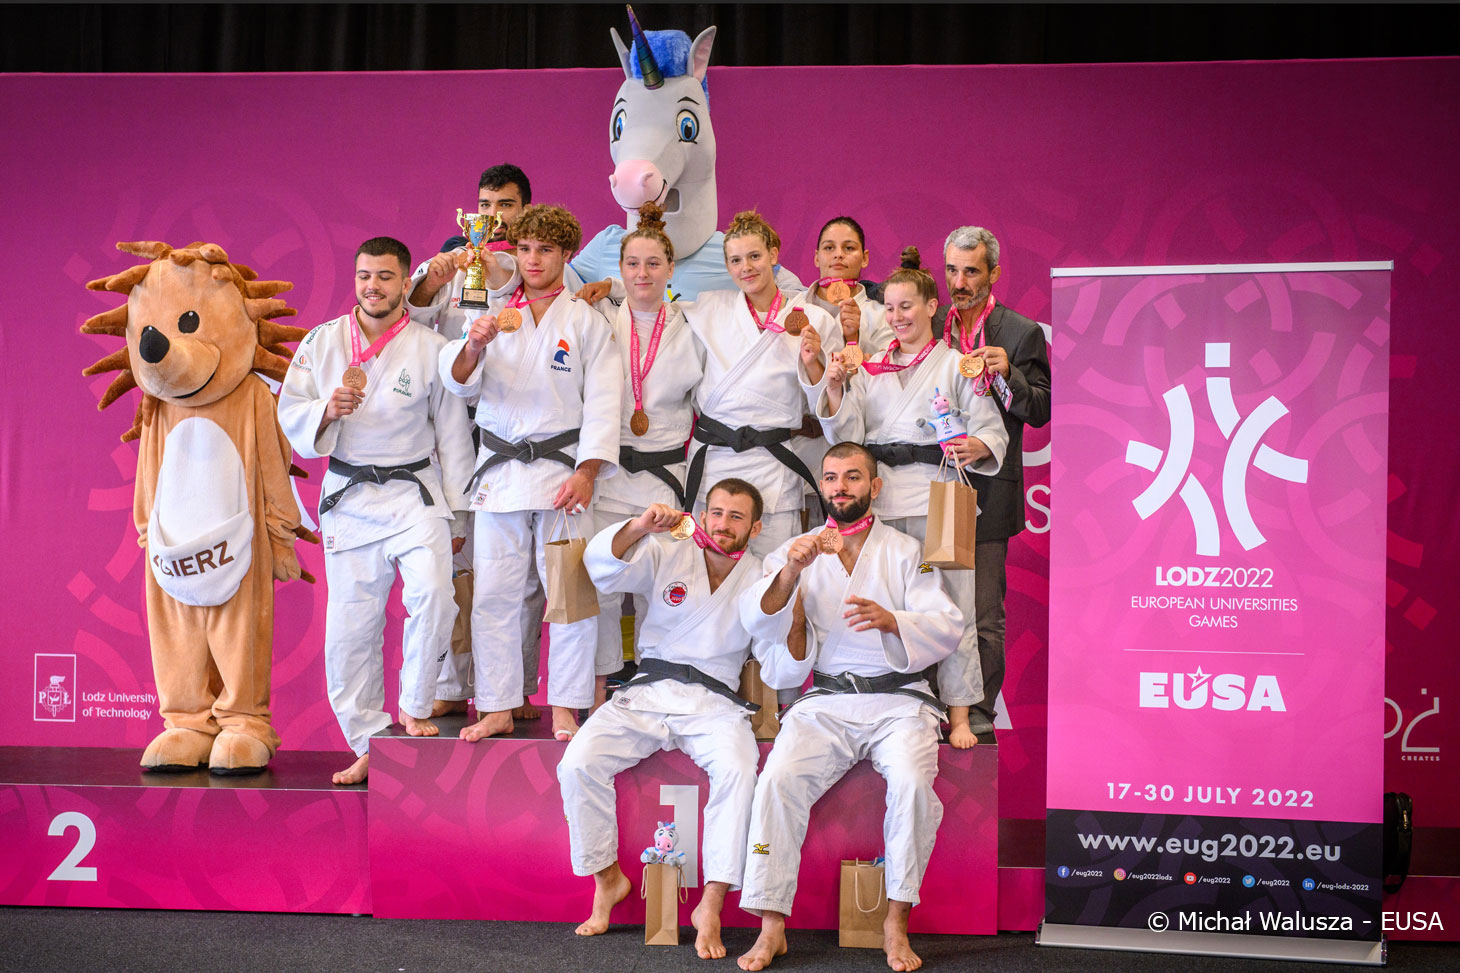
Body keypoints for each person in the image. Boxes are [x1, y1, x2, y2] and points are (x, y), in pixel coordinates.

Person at [735, 443, 962, 972]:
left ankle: (896, 919)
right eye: (832, 477)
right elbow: (761, 620)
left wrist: (894, 621)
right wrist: (792, 573)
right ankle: (771, 924)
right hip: (829, 700)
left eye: (853, 477)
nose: (840, 487)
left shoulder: (907, 550)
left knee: (910, 781)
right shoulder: (796, 550)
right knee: (776, 780)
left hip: (899, 700)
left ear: (874, 487)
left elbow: (947, 623)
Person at [278, 236, 475, 785]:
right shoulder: (321, 344)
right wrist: (324, 410)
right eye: (365, 275)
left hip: (415, 491)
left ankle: (415, 704)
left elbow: (453, 434)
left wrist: (458, 515)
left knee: (436, 593)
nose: (373, 286)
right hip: (351, 493)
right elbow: (289, 410)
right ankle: (367, 740)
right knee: (350, 633)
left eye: (386, 277)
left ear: (405, 281)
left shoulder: (430, 346)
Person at [561, 480, 783, 958]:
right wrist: (640, 526)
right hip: (648, 691)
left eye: (736, 517)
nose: (723, 525)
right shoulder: (666, 551)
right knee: (577, 762)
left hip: (715, 702)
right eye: (717, 513)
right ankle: (607, 878)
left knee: (740, 771)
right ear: (704, 514)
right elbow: (603, 569)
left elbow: (773, 650)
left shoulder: (763, 576)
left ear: (756, 527)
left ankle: (711, 905)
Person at [438, 204, 621, 743]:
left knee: (570, 595)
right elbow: (458, 383)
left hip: (565, 477)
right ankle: (496, 704)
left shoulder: (588, 322)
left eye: (545, 250)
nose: (533, 260)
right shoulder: (492, 313)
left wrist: (588, 472)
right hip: (500, 476)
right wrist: (474, 344)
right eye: (524, 249)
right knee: (495, 593)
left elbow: (604, 405)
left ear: (567, 255)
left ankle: (565, 704)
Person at [816, 249, 1007, 747]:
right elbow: (847, 432)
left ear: (930, 307)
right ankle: (896, 695)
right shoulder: (871, 368)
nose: (899, 317)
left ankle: (962, 713)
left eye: (908, 306)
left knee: (954, 605)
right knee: (886, 602)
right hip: (881, 501)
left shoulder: (955, 365)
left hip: (941, 495)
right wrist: (835, 388)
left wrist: (979, 443)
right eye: (892, 308)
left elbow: (989, 429)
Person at [409, 162, 548, 723]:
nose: (493, 216)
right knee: (454, 564)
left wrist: (496, 269)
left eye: (505, 206)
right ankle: (449, 681)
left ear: (525, 210)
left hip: (516, 427)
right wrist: (436, 277)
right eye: (485, 205)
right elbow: (415, 310)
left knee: (521, 577)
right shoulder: (452, 253)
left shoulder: (533, 265)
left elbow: (526, 288)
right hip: (449, 430)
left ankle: (513, 687)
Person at [935, 226, 1052, 734]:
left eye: (971, 271)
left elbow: (1041, 409)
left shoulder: (1020, 332)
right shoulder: (928, 322)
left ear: (994, 274)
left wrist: (1010, 377)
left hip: (987, 491)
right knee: (928, 605)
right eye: (952, 271)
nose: (960, 282)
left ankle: (979, 717)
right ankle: (930, 710)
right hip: (931, 486)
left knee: (982, 614)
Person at [583, 201, 705, 658]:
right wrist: (606, 289)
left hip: (666, 479)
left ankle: (659, 675)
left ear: (671, 268)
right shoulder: (596, 319)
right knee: (603, 588)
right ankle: (602, 686)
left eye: (654, 263)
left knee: (663, 586)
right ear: (619, 269)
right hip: (609, 476)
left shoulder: (693, 325)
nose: (643, 273)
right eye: (632, 264)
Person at [682, 211, 842, 559]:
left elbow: (825, 403)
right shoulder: (709, 308)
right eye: (736, 260)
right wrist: (613, 287)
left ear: (773, 254)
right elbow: (651, 303)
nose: (746, 268)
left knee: (775, 568)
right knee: (705, 566)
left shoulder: (815, 319)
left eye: (754, 256)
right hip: (715, 457)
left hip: (771, 460)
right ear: (727, 266)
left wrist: (814, 361)